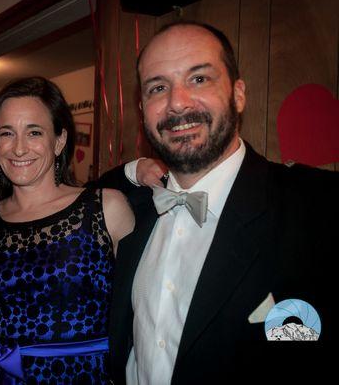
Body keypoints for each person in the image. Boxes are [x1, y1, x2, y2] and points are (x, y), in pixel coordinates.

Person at [102, 21, 336, 384]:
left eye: (199, 79)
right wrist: (133, 170)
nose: (177, 102)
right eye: (158, 87)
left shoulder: (317, 208)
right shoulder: (132, 210)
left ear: (238, 94)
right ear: (142, 107)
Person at [0, 77, 135, 383]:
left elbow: (145, 314)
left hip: (83, 377)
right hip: (0, 377)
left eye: (34, 132)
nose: (18, 148)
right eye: (7, 133)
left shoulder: (105, 209)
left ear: (58, 141)